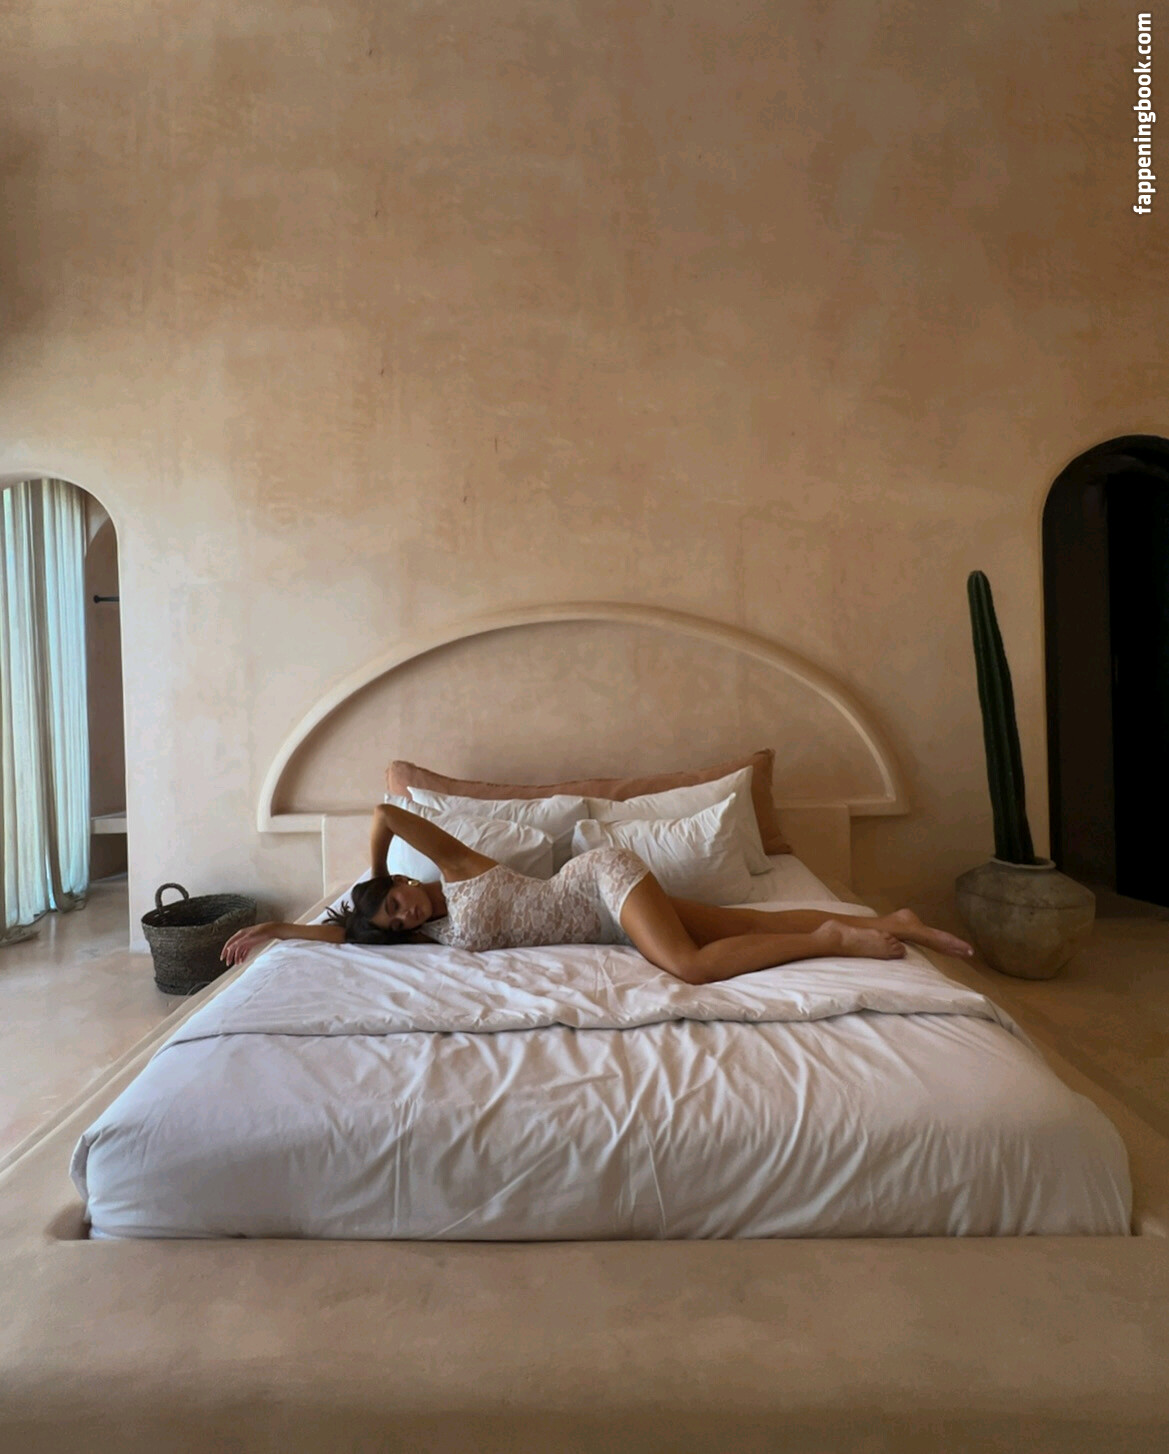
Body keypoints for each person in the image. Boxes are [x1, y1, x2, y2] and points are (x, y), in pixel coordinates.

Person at [221, 802, 974, 985]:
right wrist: (279, 930)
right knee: (739, 922)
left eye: (395, 901)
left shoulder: (454, 867)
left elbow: (386, 813)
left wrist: (373, 874)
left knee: (688, 966)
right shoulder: (430, 935)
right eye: (394, 921)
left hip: (602, 880)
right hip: (606, 922)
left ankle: (832, 939)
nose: (403, 913)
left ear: (404, 883)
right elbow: (341, 934)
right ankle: (897, 920)